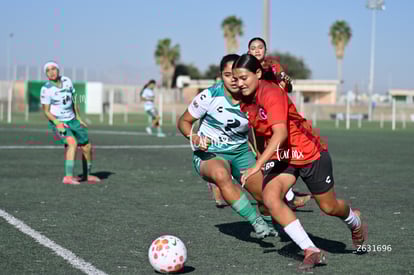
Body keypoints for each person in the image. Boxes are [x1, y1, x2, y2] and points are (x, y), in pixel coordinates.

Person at [232, 54, 367, 270]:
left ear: (257, 74)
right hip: (283, 157)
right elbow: (258, 131)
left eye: (243, 77)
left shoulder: (271, 92)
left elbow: (281, 133)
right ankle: (311, 250)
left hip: (309, 152)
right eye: (235, 78)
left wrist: (257, 165)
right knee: (270, 196)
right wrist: (260, 155)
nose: (239, 83)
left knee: (329, 207)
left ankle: (355, 221)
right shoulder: (245, 100)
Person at [177, 54, 277, 238]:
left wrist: (260, 155)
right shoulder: (209, 95)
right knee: (221, 175)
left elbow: (257, 131)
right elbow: (183, 121)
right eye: (227, 74)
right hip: (210, 154)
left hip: (240, 152)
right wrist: (196, 138)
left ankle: (270, 225)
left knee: (266, 195)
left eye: (236, 75)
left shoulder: (255, 99)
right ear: (220, 75)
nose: (232, 79)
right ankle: (255, 221)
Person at [248, 37, 311, 210]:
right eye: (253, 48)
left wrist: (285, 83)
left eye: (260, 47)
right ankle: (284, 196)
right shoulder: (246, 67)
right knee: (261, 155)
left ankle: (286, 196)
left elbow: (288, 87)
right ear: (248, 51)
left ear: (265, 50)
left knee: (278, 153)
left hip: (274, 115)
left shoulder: (273, 65)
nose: (257, 50)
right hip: (256, 118)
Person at [40, 61, 100, 185]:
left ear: (58, 70)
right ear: (46, 74)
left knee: (87, 147)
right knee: (72, 143)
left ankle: (87, 175)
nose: (51, 72)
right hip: (58, 121)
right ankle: (68, 177)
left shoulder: (67, 81)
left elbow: (74, 100)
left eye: (53, 69)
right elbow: (46, 111)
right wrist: (58, 123)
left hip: (72, 119)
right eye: (48, 70)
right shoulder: (46, 89)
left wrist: (78, 117)